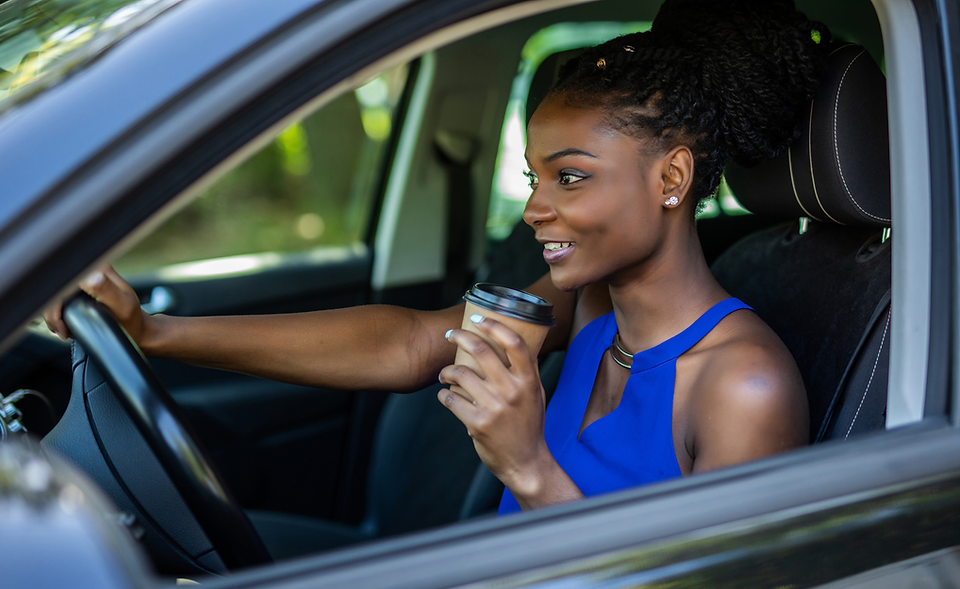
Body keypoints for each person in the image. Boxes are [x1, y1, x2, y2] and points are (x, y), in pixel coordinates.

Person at [46, 0, 820, 516]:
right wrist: (152, 331)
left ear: (672, 178)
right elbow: (415, 342)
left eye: (570, 177)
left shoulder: (745, 386)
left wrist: (529, 469)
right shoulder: (589, 303)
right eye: (535, 176)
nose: (534, 208)